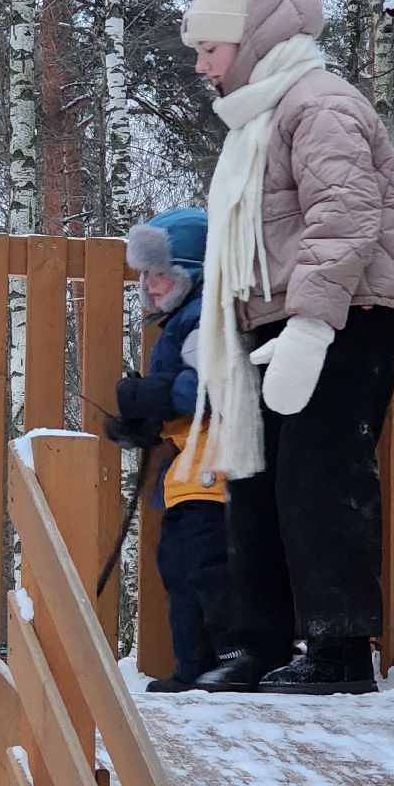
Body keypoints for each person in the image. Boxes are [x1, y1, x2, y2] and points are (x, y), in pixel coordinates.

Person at [177, 0, 394, 695]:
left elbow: (344, 217)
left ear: (252, 38)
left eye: (210, 50)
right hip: (278, 323)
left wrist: (312, 328)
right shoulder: (258, 118)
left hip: (345, 320)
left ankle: (340, 650)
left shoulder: (320, 105)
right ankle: (257, 644)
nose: (203, 66)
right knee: (256, 482)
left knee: (320, 477)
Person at [103, 207, 230, 693]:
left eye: (161, 273)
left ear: (191, 274)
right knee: (177, 568)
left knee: (208, 567)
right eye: (146, 276)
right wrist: (144, 425)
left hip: (216, 473)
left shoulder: (204, 319)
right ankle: (194, 663)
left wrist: (158, 397)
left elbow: (213, 386)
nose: (150, 285)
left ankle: (229, 657)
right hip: (189, 473)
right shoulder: (179, 321)